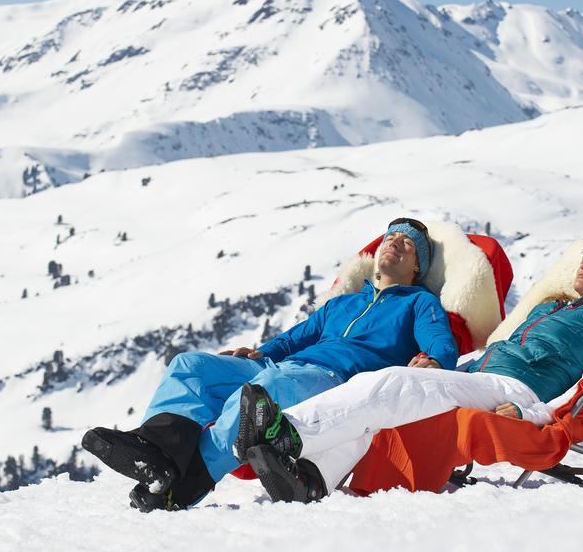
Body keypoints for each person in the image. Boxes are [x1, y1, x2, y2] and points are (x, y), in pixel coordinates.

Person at [82, 217, 458, 511]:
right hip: (281, 366)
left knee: (256, 398)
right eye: (391, 238)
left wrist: (435, 361)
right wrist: (261, 352)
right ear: (376, 253)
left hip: (331, 380)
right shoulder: (341, 303)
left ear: (416, 268)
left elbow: (441, 342)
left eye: (408, 245)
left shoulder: (418, 304)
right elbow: (294, 338)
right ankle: (158, 452)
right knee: (190, 366)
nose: (395, 244)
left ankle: (183, 486)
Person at [237, 240, 583, 504]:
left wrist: (531, 414)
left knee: (393, 382)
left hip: (517, 390)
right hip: (480, 378)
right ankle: (310, 480)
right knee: (388, 407)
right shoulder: (551, 308)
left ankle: (288, 434)